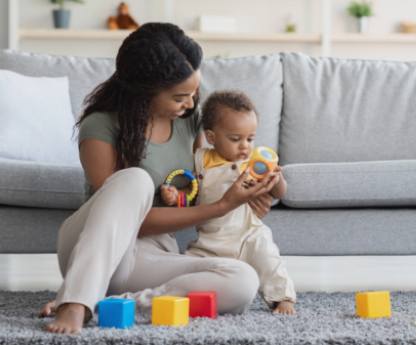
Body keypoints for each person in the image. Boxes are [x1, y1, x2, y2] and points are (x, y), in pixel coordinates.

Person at [39, 23, 279, 334]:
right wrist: (221, 206)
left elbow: (195, 188)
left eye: (194, 93)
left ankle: (110, 306)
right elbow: (125, 218)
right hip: (96, 248)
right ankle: (74, 302)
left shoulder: (189, 120)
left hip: (152, 257)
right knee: (135, 179)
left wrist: (245, 198)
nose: (192, 104)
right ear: (144, 90)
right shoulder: (100, 126)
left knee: (244, 280)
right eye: (180, 96)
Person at [160, 91, 296, 315]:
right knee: (185, 267)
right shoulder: (201, 159)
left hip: (248, 233)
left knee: (268, 258)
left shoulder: (254, 162)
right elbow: (193, 191)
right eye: (235, 139)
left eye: (250, 138)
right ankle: (172, 295)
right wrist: (177, 196)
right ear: (212, 138)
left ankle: (283, 298)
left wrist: (277, 177)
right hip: (210, 239)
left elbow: (280, 192)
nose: (245, 146)